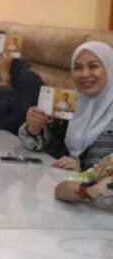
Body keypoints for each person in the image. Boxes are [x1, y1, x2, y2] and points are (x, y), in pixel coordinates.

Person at [20, 41, 113, 171]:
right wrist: (34, 129)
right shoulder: (72, 105)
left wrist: (83, 171)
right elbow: (45, 146)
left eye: (93, 66)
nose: (85, 74)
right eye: (77, 67)